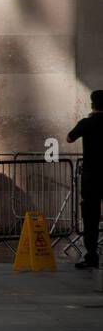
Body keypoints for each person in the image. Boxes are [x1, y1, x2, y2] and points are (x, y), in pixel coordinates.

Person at [67, 89, 103, 269]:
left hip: (92, 176)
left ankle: (92, 255)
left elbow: (69, 138)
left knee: (91, 217)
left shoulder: (87, 123)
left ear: (92, 104)